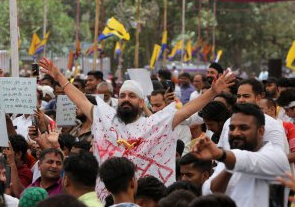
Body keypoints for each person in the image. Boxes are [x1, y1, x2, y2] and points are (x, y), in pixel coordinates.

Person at [38, 57, 234, 194]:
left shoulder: (155, 124)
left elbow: (187, 110)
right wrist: (59, 76)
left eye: (132, 96)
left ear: (141, 103)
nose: (125, 99)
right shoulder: (106, 120)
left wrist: (212, 92)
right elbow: (81, 100)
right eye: (122, 95)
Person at [195, 103, 290, 207]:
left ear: (261, 131)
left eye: (243, 128)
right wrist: (227, 165)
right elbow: (210, 191)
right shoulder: (229, 159)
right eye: (232, 128)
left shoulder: (276, 157)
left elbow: (248, 161)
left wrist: (221, 155)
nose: (235, 133)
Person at [217, 79, 287, 152]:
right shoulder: (229, 121)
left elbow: (276, 157)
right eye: (238, 96)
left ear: (259, 97)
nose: (241, 100)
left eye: (246, 96)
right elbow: (221, 149)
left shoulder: (272, 124)